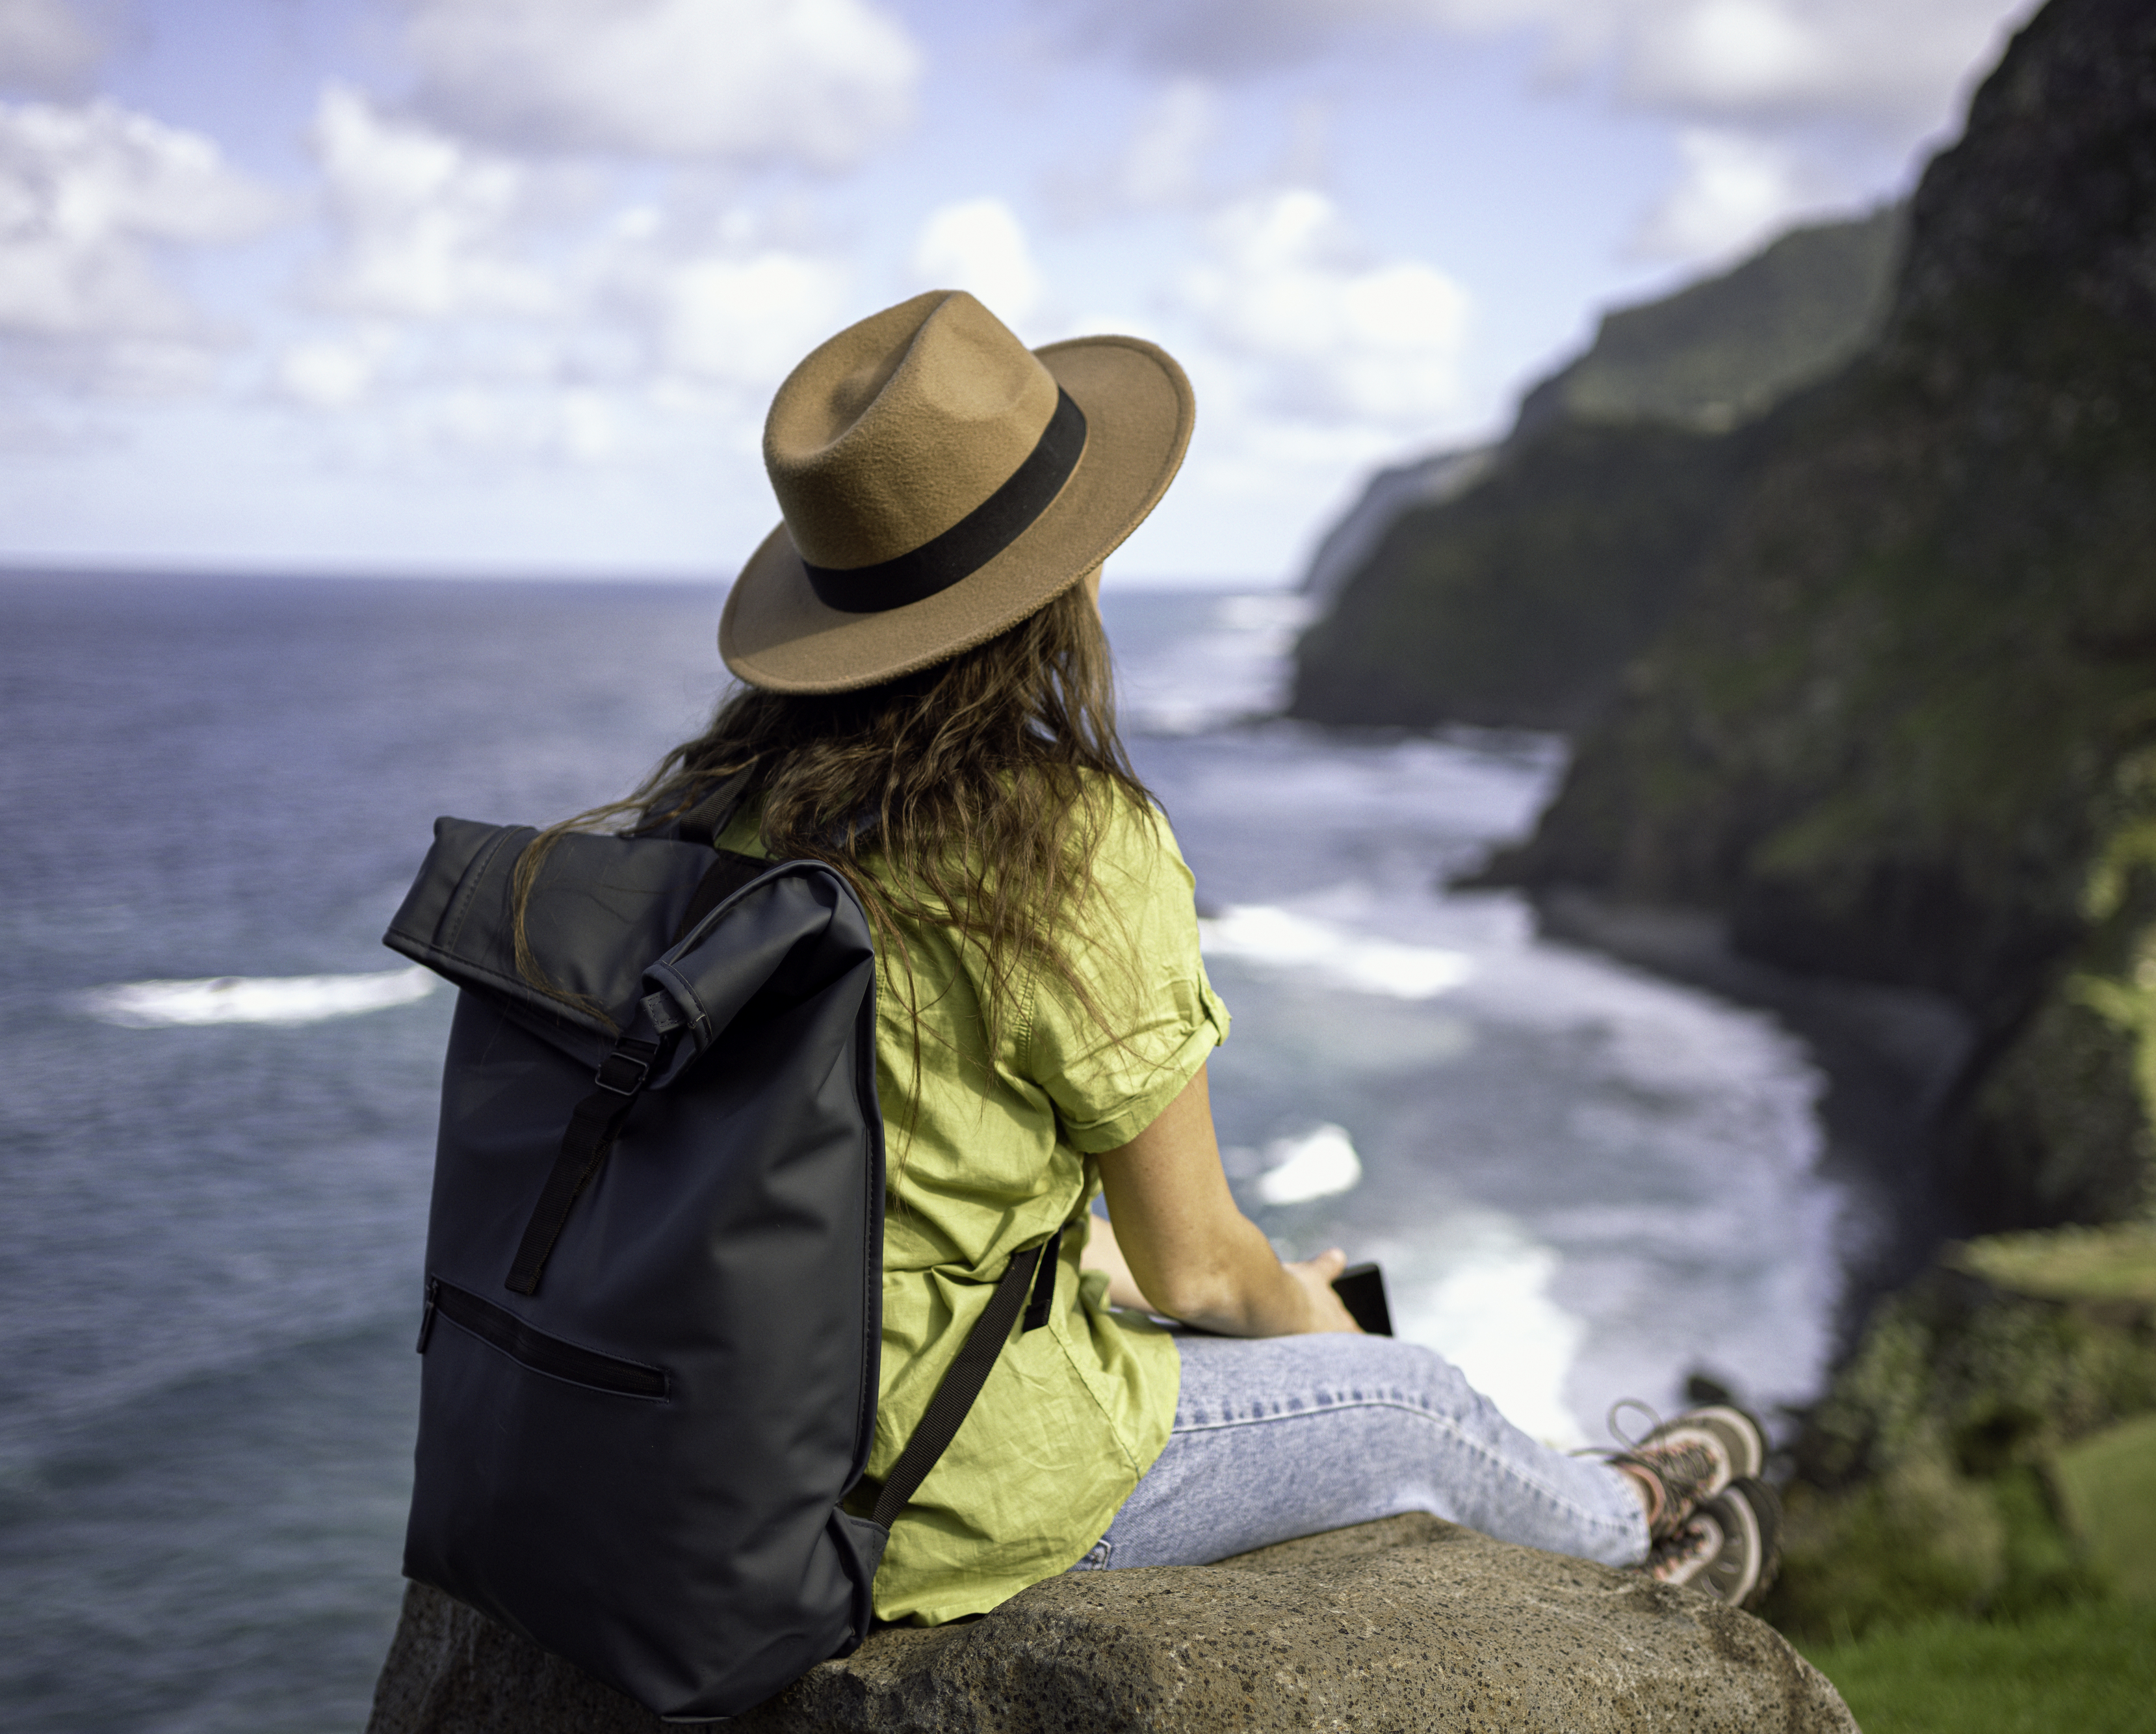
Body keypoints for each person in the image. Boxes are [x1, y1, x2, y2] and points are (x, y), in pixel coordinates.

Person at [578, 289, 1779, 1627]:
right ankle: (1638, 1521)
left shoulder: (716, 818)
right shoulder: (1059, 840)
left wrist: (1166, 1285)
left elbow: (886, 1200)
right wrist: (1314, 1333)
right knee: (1412, 1399)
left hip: (696, 1442)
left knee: (1280, 1321)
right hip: (923, 1498)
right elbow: (1204, 1266)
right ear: (1058, 580)